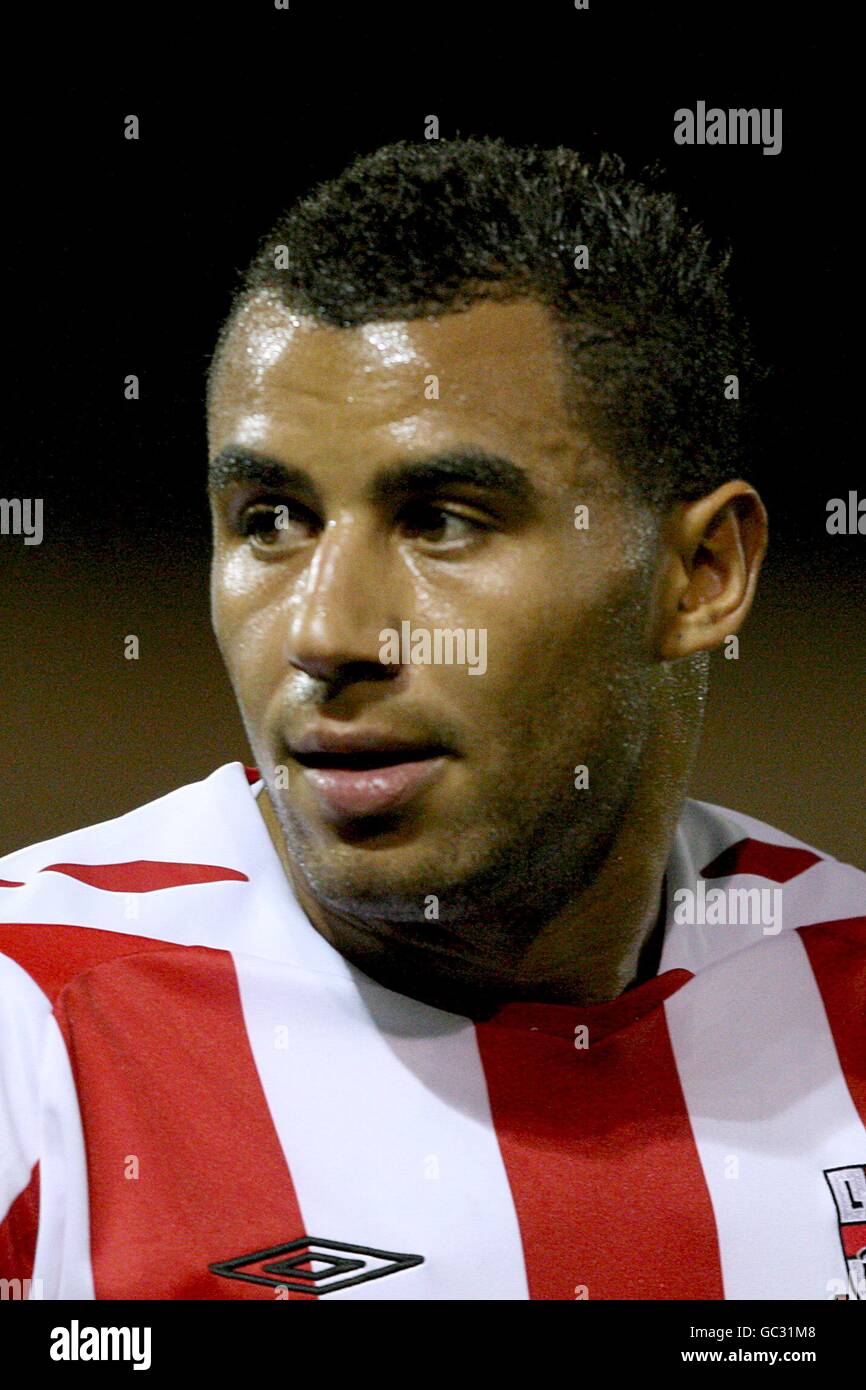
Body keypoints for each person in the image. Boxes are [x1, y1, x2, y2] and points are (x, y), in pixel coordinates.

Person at [1, 137, 863, 1301]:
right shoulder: (30, 1026)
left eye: (444, 520)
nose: (328, 632)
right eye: (270, 520)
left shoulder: (843, 989)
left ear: (699, 573)